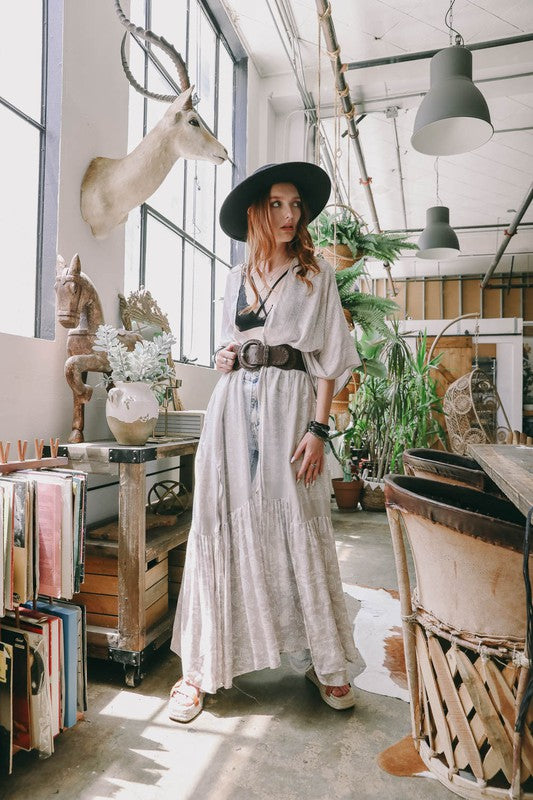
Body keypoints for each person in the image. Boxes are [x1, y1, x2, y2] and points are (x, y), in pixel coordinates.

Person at [169, 161, 361, 723]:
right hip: (231, 409)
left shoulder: (315, 275)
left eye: (296, 205)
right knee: (219, 519)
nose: (289, 214)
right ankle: (199, 669)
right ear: (257, 211)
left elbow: (328, 358)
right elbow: (231, 343)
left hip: (290, 406)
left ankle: (325, 661)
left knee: (299, 517)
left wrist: (319, 430)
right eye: (277, 204)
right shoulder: (234, 277)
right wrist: (224, 356)